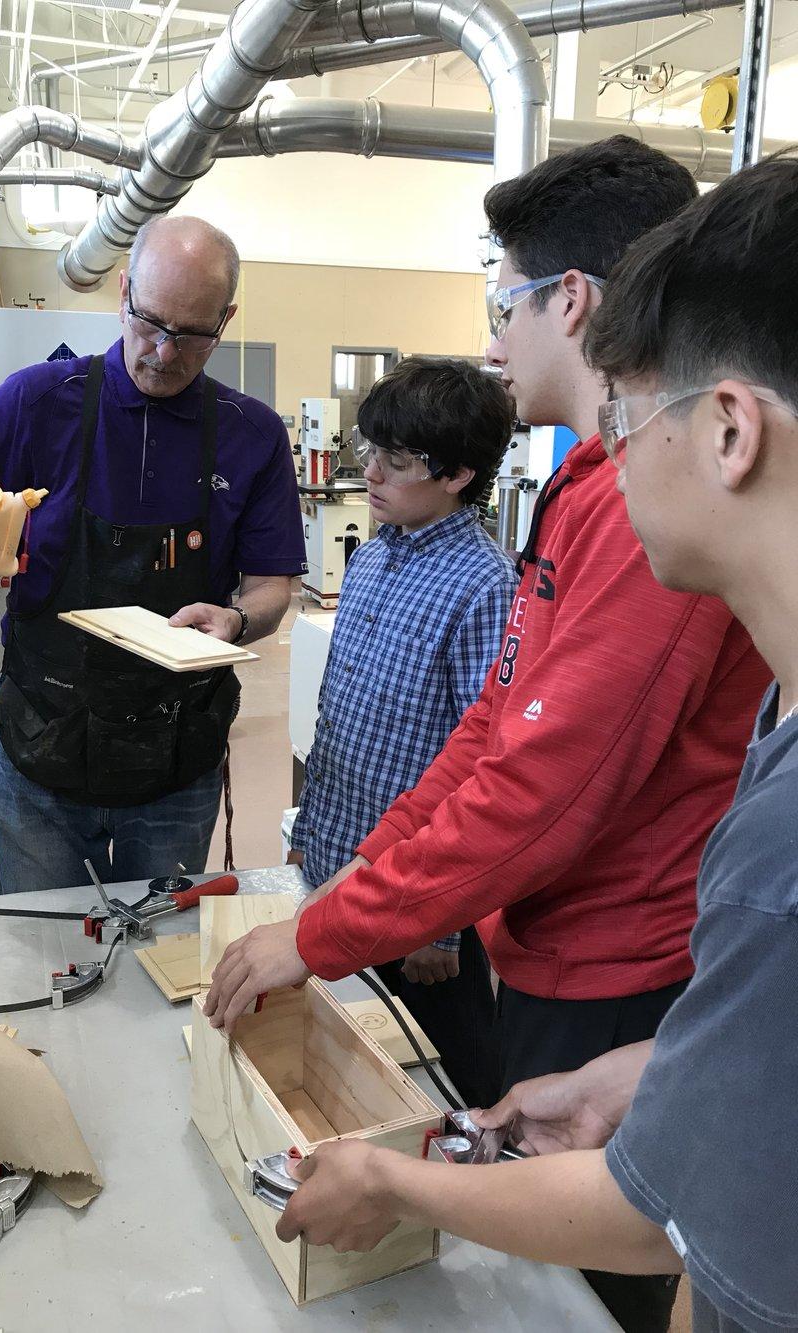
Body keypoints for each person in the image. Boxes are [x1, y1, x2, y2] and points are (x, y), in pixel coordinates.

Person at [204, 138, 772, 1332]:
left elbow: (545, 789)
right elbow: (495, 729)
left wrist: (342, 930)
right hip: (577, 986)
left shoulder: (642, 521)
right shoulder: (583, 495)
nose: (493, 339)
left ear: (727, 428)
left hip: (616, 962)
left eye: (498, 304)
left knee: (582, 1296)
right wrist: (363, 880)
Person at [0, 216, 306, 893]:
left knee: (157, 958)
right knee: (40, 954)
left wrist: (234, 621)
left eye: (193, 334)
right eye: (149, 324)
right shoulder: (36, 401)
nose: (165, 353)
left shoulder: (250, 435)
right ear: (122, 293)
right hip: (40, 752)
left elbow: (271, 588)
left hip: (176, 760)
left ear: (225, 320)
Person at [289, 356, 518, 1106]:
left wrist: (443, 926)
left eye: (396, 459)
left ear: (457, 474)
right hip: (338, 861)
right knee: (342, 1062)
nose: (372, 473)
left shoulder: (485, 586)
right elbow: (339, 716)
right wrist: (309, 835)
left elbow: (485, 770)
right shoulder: (371, 559)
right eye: (369, 451)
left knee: (445, 1081)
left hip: (417, 913)